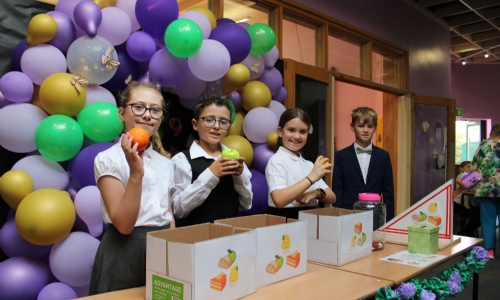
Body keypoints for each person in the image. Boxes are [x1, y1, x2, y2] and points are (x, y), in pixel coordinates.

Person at [89, 81, 175, 294]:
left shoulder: (166, 162)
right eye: (138, 107)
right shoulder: (108, 159)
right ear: (121, 113)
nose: (147, 115)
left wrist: (174, 246)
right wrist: (136, 173)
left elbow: (168, 213)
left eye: (155, 110)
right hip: (123, 250)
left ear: (160, 118)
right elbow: (124, 225)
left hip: (163, 245)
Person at [171, 95, 252, 227]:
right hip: (197, 239)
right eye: (209, 120)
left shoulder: (234, 158)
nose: (216, 126)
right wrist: (211, 174)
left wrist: (239, 176)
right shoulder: (181, 160)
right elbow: (179, 210)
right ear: (195, 124)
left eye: (223, 122)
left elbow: (247, 204)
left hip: (230, 237)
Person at [265, 108, 336, 219]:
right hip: (284, 219)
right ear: (280, 131)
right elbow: (279, 200)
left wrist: (317, 193)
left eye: (302, 131)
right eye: (291, 130)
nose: (297, 136)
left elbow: (332, 197)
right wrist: (312, 177)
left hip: (310, 216)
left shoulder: (308, 164)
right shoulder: (277, 160)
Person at [332, 107, 395, 221]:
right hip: (348, 214)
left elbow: (388, 193)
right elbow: (337, 190)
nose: (366, 130)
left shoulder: (383, 156)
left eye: (370, 126)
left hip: (375, 214)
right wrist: (337, 218)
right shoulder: (341, 156)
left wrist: (389, 220)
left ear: (375, 128)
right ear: (352, 127)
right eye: (361, 126)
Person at [472, 123, 500, 259]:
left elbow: (473, 166)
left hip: (486, 188)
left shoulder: (484, 145)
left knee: (488, 220)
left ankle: (489, 251)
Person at [452, 160, 481, 237]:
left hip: (464, 204)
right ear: (462, 169)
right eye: (468, 167)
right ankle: (464, 232)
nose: (470, 169)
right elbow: (469, 186)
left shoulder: (468, 176)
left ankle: (465, 232)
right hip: (457, 204)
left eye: (471, 167)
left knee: (480, 214)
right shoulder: (462, 176)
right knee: (479, 216)